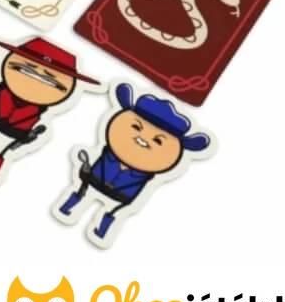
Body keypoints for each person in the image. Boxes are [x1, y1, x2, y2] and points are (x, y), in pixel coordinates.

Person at [57, 83, 211, 241]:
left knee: (112, 210)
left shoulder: (144, 173)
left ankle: (102, 228)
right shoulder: (109, 155)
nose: (143, 138)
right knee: (83, 192)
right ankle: (68, 206)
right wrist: (85, 168)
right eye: (136, 127)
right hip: (95, 180)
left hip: (122, 196)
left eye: (158, 141)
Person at [0, 37, 100, 176]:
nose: (35, 82)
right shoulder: (2, 93)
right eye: (25, 70)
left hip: (13, 132)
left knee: (1, 148)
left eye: (49, 81)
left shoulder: (38, 108)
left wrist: (30, 136)